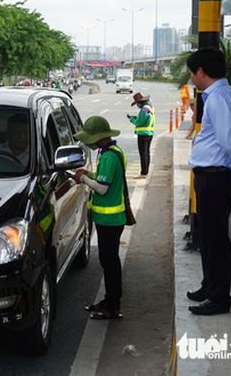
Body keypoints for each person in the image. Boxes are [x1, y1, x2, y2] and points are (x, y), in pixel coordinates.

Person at [185, 47, 231, 316]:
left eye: (193, 73)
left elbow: (229, 142)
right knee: (209, 236)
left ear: (201, 72)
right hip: (217, 176)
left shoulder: (216, 99)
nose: (192, 78)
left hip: (215, 177)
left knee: (215, 239)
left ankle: (218, 299)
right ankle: (210, 286)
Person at [71, 116, 127, 320]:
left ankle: (112, 306)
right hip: (109, 220)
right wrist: (91, 174)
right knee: (108, 261)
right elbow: (107, 179)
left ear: (98, 137)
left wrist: (83, 179)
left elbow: (103, 189)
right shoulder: (113, 152)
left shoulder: (110, 157)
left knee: (110, 263)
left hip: (109, 220)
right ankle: (109, 301)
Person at [126, 92, 155, 179]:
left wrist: (131, 119)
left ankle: (143, 173)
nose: (138, 105)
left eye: (138, 103)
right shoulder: (150, 107)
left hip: (143, 134)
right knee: (147, 153)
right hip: (149, 133)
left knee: (143, 154)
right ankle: (146, 171)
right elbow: (143, 119)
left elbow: (139, 122)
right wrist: (136, 117)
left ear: (140, 102)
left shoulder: (144, 110)